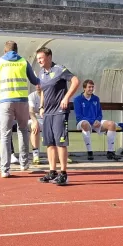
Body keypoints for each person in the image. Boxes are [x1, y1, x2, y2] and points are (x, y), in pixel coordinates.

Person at [0, 41, 40, 178]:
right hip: (22, 102)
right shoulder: (24, 62)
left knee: (5, 134)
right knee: (23, 130)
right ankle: (24, 163)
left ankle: (5, 169)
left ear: (4, 51)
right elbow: (34, 81)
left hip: (5, 102)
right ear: (16, 51)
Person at [36, 47, 79, 186]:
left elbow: (75, 81)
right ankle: (52, 171)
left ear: (49, 57)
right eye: (37, 59)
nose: (39, 61)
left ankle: (64, 173)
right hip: (47, 112)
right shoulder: (41, 73)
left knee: (60, 143)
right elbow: (42, 91)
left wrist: (66, 97)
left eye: (41, 58)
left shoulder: (60, 69)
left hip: (60, 112)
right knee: (49, 143)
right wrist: (41, 106)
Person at [73, 79, 122, 161]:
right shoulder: (77, 99)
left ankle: (110, 152)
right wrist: (92, 121)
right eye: (89, 87)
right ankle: (90, 152)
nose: (91, 89)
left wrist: (98, 120)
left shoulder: (96, 99)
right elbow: (79, 116)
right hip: (82, 122)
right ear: (84, 88)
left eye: (92, 87)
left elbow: (99, 114)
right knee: (85, 124)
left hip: (96, 122)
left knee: (111, 124)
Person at [28, 89, 44, 164]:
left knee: (57, 127)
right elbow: (31, 111)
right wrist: (35, 121)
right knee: (34, 126)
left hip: (48, 118)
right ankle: (36, 154)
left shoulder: (49, 94)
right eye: (36, 84)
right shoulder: (31, 96)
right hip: (35, 118)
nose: (38, 86)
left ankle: (58, 155)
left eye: (39, 83)